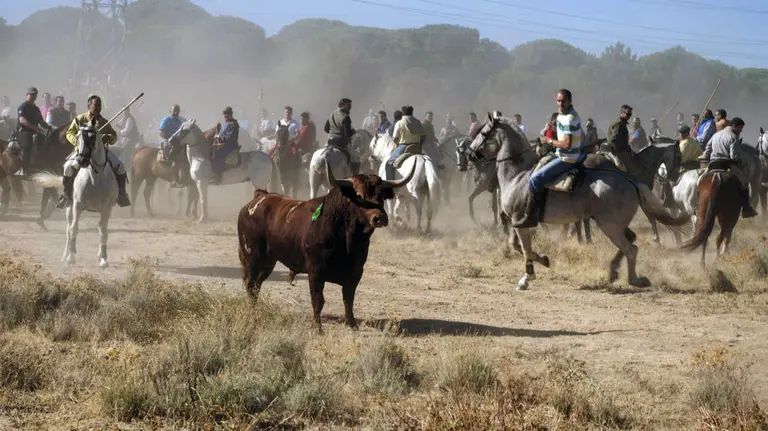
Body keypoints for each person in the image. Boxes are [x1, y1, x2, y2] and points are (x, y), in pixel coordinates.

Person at [523, 89, 584, 228]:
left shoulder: (569, 118)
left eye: (563, 100)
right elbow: (567, 133)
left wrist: (548, 140)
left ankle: (533, 215)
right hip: (563, 154)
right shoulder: (564, 115)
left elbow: (567, 144)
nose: (560, 103)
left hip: (566, 158)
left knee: (534, 179)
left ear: (569, 101)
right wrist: (554, 130)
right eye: (558, 100)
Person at [58, 94, 130, 208]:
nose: (98, 108)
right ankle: (66, 195)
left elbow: (114, 136)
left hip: (101, 153)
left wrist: (108, 137)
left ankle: (121, 195)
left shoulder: (104, 121)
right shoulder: (80, 119)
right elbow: (69, 133)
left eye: (99, 106)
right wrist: (77, 141)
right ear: (89, 105)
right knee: (67, 167)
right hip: (82, 151)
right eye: (95, 105)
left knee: (120, 167)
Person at [699, 117, 757, 218]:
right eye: (740, 128)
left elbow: (707, 149)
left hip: (713, 164)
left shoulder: (715, 135)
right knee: (744, 182)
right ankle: (746, 208)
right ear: (734, 126)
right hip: (727, 163)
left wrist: (709, 156)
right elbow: (733, 156)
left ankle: (697, 206)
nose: (740, 131)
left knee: (700, 180)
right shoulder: (733, 137)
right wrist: (740, 161)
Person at [16, 87, 53, 176]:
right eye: (31, 94)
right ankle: (23, 169)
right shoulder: (23, 106)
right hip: (23, 132)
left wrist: (48, 127)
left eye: (35, 94)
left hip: (34, 132)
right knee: (27, 146)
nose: (33, 96)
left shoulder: (36, 109)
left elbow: (41, 120)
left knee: (45, 144)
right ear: (27, 95)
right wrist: (34, 128)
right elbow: (22, 120)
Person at [386, 105, 424, 181]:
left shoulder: (399, 123)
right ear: (412, 112)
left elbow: (395, 138)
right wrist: (419, 144)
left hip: (403, 147)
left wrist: (396, 143)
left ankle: (390, 186)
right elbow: (423, 137)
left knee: (389, 163)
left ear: (403, 113)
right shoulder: (418, 122)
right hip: (417, 147)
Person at [605, 105, 644, 178]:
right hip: (618, 151)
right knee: (633, 170)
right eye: (627, 114)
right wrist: (621, 151)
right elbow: (614, 140)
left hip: (622, 150)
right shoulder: (619, 124)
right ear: (622, 113)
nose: (629, 116)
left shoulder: (622, 124)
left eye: (630, 114)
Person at [324, 98, 358, 174]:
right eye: (348, 105)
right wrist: (353, 131)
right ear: (343, 105)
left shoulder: (332, 114)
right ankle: (354, 177)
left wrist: (333, 132)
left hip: (330, 142)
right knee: (356, 159)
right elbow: (347, 134)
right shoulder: (346, 117)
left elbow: (326, 129)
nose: (350, 108)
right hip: (341, 143)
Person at [211, 106, 239, 184]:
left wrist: (219, 136)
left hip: (231, 145)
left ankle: (218, 176)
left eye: (227, 114)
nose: (225, 116)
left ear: (231, 114)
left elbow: (230, 136)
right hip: (224, 143)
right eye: (224, 114)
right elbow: (222, 134)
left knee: (218, 155)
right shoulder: (226, 124)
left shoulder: (234, 124)